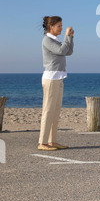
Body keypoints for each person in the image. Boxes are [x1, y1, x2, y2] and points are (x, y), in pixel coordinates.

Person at [38, 16, 74, 151]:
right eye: (59, 26)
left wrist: (70, 37)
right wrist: (66, 36)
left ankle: (52, 141)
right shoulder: (47, 40)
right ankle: (42, 142)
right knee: (48, 110)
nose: (61, 28)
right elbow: (61, 51)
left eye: (61, 26)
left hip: (59, 78)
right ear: (51, 27)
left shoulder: (56, 40)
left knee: (55, 110)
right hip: (51, 78)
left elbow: (68, 51)